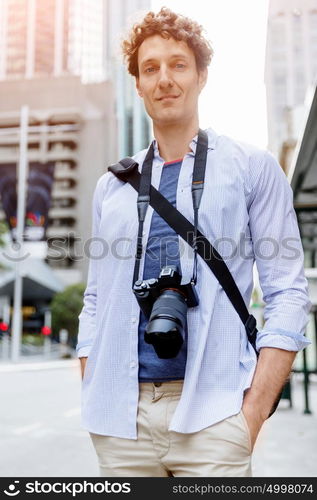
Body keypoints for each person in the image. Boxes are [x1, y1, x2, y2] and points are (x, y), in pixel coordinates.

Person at [76, 8, 311, 477]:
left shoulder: (252, 167)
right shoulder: (114, 186)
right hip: (121, 424)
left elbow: (288, 293)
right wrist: (90, 384)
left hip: (216, 414)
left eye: (178, 64)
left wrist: (252, 415)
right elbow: (96, 299)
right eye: (150, 68)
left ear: (202, 75)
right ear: (138, 85)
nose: (164, 78)